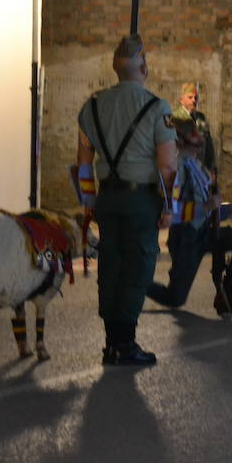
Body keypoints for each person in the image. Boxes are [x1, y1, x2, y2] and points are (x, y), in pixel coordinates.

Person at [76, 35, 177, 365]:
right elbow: (167, 165)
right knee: (138, 266)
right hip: (140, 201)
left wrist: (88, 204)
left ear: (114, 68)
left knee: (111, 266)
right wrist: (168, 206)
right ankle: (126, 343)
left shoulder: (91, 107)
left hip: (106, 198)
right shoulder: (157, 107)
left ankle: (111, 343)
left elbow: (82, 164)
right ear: (145, 67)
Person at [146, 116, 232, 313]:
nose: (198, 137)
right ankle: (133, 282)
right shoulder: (177, 168)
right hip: (186, 238)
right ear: (179, 140)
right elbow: (172, 213)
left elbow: (209, 210)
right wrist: (205, 207)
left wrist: (231, 207)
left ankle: (227, 290)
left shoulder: (198, 167)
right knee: (175, 298)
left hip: (205, 231)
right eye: (192, 133)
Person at [174, 82, 216, 173]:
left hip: (200, 166)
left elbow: (208, 143)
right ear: (181, 99)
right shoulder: (176, 118)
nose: (194, 100)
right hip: (184, 166)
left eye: (195, 98)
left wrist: (211, 167)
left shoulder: (201, 117)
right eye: (190, 97)